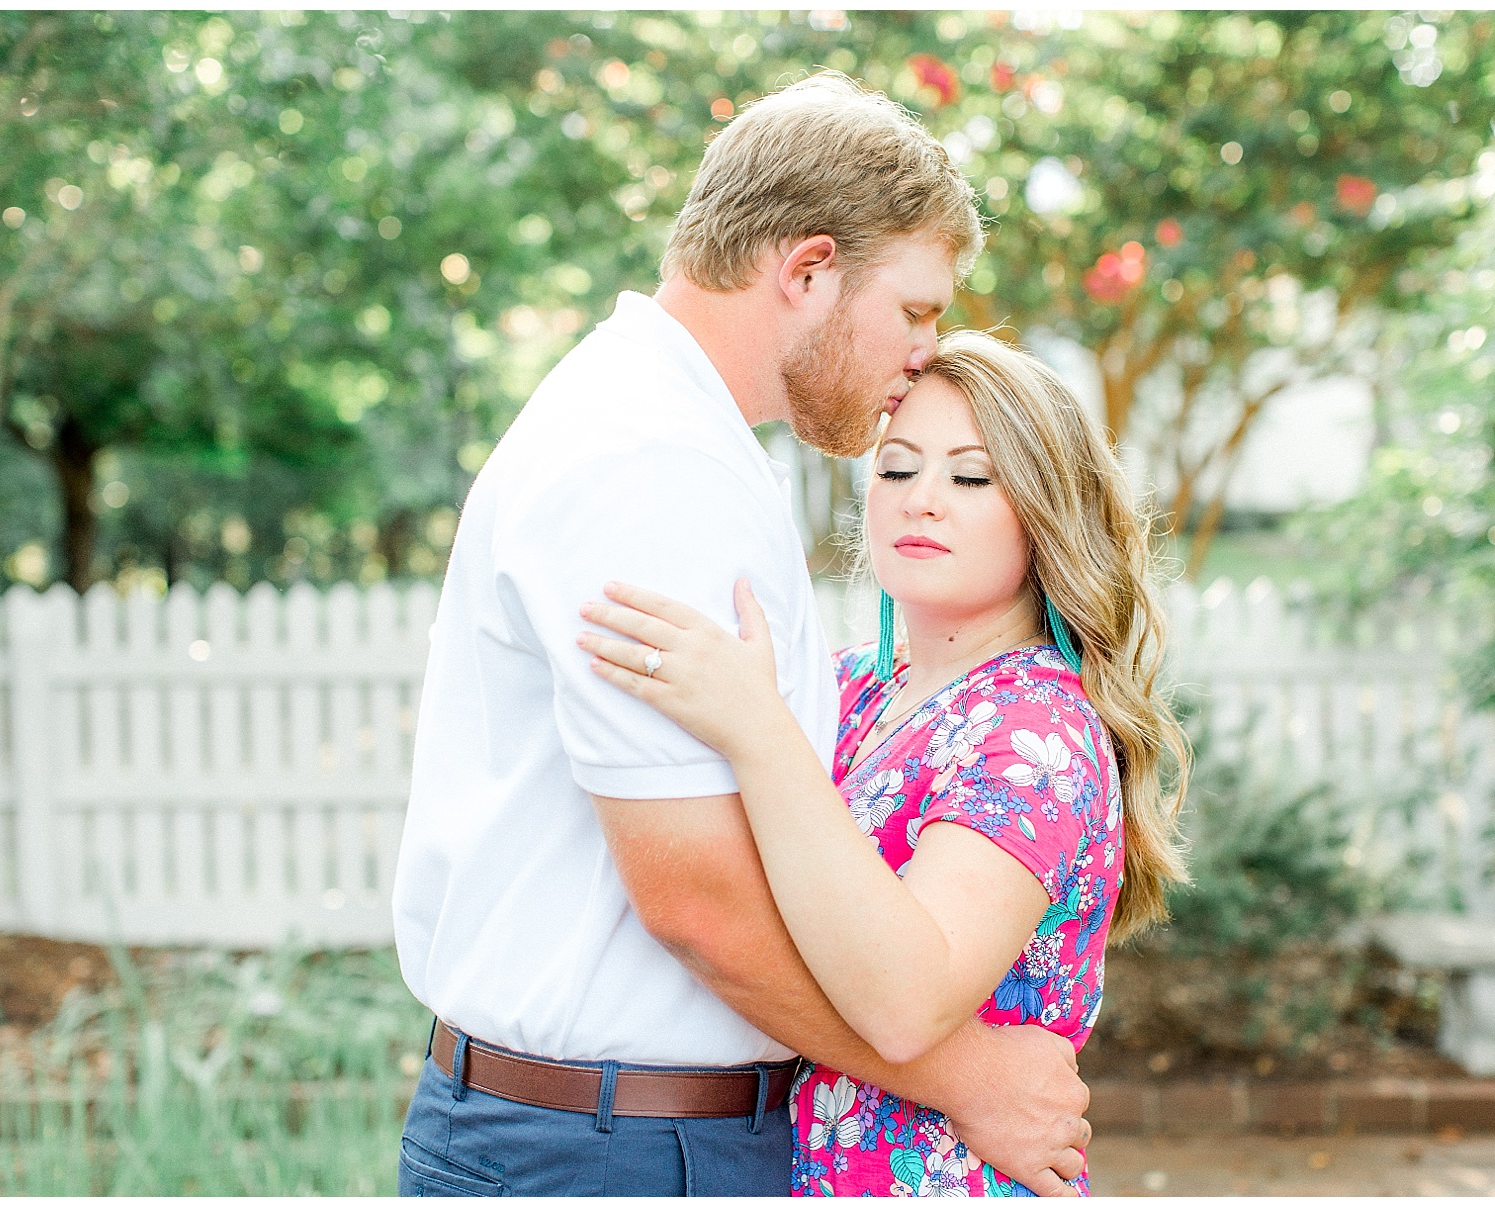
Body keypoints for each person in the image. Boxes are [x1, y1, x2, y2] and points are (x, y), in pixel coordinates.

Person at [392, 73, 1094, 1198]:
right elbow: (700, 904)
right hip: (611, 1149)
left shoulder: (664, 430)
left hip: (609, 1135)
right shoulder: (654, 463)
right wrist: (963, 1074)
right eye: (916, 311)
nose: (925, 350)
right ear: (808, 272)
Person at [576, 330, 1191, 1195]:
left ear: (1046, 509)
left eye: (970, 478)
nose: (921, 500)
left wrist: (756, 726)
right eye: (897, 468)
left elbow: (906, 1002)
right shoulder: (851, 687)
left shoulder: (1034, 732)